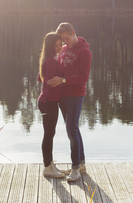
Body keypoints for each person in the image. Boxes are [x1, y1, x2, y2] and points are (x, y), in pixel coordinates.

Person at [48, 22, 92, 182]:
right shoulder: (64, 49)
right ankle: (81, 164)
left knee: (71, 129)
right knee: (72, 128)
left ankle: (75, 169)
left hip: (75, 94)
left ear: (73, 33)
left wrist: (64, 80)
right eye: (62, 40)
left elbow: (83, 76)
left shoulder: (85, 52)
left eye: (67, 38)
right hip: (62, 94)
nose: (65, 42)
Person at [38, 32, 66, 178]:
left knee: (51, 133)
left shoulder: (50, 59)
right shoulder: (50, 61)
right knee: (49, 134)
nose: (59, 47)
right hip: (48, 102)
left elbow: (39, 78)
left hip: (49, 101)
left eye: (61, 44)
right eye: (56, 45)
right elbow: (48, 82)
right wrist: (61, 80)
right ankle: (47, 167)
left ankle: (50, 164)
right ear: (50, 46)